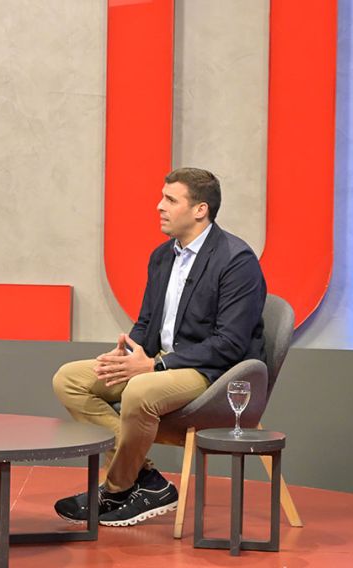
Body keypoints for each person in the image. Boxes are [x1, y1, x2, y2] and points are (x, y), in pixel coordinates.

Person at [52, 167, 266, 527]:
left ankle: (116, 488)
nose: (159, 206)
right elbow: (147, 322)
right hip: (160, 362)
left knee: (140, 391)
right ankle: (147, 480)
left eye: (170, 199)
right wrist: (128, 352)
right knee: (69, 379)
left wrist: (155, 367)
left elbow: (229, 344)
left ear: (200, 210)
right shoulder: (163, 256)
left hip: (212, 373)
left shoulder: (236, 261)